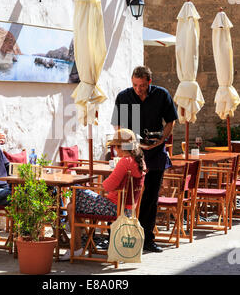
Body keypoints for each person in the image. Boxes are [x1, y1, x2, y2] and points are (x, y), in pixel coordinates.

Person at [111, 66, 178, 253]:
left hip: (155, 154)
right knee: (127, 197)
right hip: (132, 155)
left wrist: (161, 140)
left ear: (149, 81)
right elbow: (120, 127)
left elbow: (170, 121)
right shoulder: (124, 97)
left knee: (151, 199)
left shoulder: (161, 95)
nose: (138, 89)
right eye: (134, 84)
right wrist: (129, 148)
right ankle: (122, 237)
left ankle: (147, 239)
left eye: (141, 85)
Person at [61, 128, 146, 261]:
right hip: (126, 209)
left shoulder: (125, 162)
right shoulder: (139, 162)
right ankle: (77, 244)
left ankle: (76, 244)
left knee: (75, 192)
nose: (114, 150)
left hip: (113, 208)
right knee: (73, 205)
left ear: (121, 147)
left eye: (115, 147)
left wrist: (96, 188)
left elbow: (107, 185)